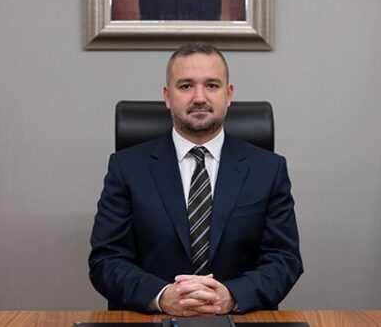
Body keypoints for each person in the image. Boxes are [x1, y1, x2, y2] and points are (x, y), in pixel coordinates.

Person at [89, 42, 303, 315]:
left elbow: (284, 259)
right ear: (167, 96)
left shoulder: (268, 170)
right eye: (186, 86)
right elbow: (106, 260)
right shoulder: (126, 168)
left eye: (212, 85)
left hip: (239, 320)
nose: (199, 97)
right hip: (152, 319)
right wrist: (163, 296)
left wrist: (231, 296)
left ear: (228, 94)